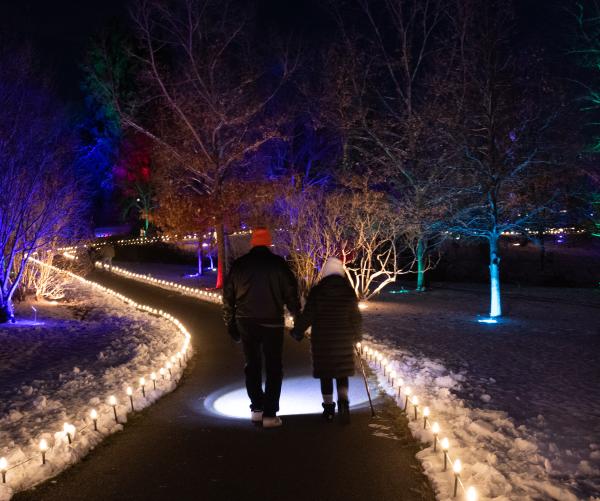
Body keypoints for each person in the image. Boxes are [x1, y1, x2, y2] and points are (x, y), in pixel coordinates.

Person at [223, 228, 301, 428]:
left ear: (252, 243)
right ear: (268, 243)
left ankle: (256, 408)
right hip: (271, 321)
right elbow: (291, 293)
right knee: (274, 366)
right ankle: (269, 413)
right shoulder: (278, 264)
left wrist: (231, 324)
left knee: (252, 364)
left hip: (246, 320)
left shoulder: (239, 265)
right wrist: (297, 318)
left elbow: (228, 297)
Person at [292, 257, 362, 424]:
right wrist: (357, 336)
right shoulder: (348, 290)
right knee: (341, 373)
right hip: (343, 339)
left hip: (322, 340)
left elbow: (308, 314)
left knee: (326, 374)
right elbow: (356, 317)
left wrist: (298, 331)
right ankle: (343, 401)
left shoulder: (318, 290)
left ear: (325, 272)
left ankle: (329, 409)